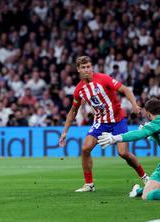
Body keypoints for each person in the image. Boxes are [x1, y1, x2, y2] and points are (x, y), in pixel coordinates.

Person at [58, 55, 149, 192]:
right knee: (85, 149)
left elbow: (125, 89)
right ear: (78, 70)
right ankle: (89, 184)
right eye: (83, 67)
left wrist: (135, 105)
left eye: (88, 66)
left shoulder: (103, 79)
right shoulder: (79, 90)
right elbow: (73, 111)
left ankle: (145, 177)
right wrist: (65, 132)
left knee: (123, 153)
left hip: (118, 119)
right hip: (101, 122)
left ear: (92, 67)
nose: (86, 70)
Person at [98, 98, 160, 202]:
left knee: (147, 195)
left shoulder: (157, 122)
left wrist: (114, 138)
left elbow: (138, 134)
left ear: (148, 114)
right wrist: (150, 135)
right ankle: (137, 191)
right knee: (154, 186)